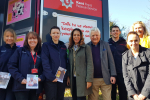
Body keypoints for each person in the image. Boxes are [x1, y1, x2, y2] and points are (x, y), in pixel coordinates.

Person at [8, 32, 45, 100]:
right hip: (21, 86)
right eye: (30, 38)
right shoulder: (19, 51)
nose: (32, 40)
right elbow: (11, 65)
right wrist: (20, 79)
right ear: (27, 40)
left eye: (34, 38)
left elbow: (45, 68)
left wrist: (41, 78)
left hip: (35, 87)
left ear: (38, 40)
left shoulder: (41, 53)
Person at [87, 27, 117, 100]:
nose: (95, 37)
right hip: (92, 79)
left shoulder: (105, 44)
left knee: (107, 98)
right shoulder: (87, 46)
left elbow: (111, 60)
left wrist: (113, 75)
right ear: (90, 36)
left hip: (105, 78)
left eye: (97, 35)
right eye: (93, 35)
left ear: (100, 35)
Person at [41, 26, 68, 100]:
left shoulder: (63, 46)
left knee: (60, 98)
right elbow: (45, 62)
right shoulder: (46, 45)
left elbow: (66, 61)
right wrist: (51, 76)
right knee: (51, 98)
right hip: (50, 78)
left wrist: (66, 76)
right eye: (53, 33)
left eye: (57, 33)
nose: (56, 35)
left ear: (60, 34)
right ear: (50, 34)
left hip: (61, 76)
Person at [67, 28, 94, 100]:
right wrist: (68, 77)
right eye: (74, 35)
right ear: (72, 36)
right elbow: (69, 64)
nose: (76, 36)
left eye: (78, 35)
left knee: (81, 98)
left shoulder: (86, 48)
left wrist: (89, 80)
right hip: (73, 79)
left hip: (83, 80)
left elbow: (90, 64)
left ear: (81, 36)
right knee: (74, 97)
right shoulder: (70, 49)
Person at [122, 31, 150, 100]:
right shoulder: (125, 56)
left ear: (139, 40)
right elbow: (126, 77)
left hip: (147, 93)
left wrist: (144, 93)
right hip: (133, 95)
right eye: (131, 41)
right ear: (127, 42)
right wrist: (133, 94)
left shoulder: (148, 53)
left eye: (136, 40)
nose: (133, 43)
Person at [108, 26, 128, 100]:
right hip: (111, 72)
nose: (115, 32)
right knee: (111, 94)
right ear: (111, 33)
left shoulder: (125, 43)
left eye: (117, 30)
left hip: (122, 71)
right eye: (113, 31)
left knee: (123, 93)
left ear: (119, 32)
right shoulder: (107, 43)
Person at [0, 28, 17, 100]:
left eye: (11, 36)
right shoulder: (1, 49)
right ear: (4, 37)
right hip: (1, 80)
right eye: (7, 36)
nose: (9, 38)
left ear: (14, 37)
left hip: (13, 81)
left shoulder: (18, 50)